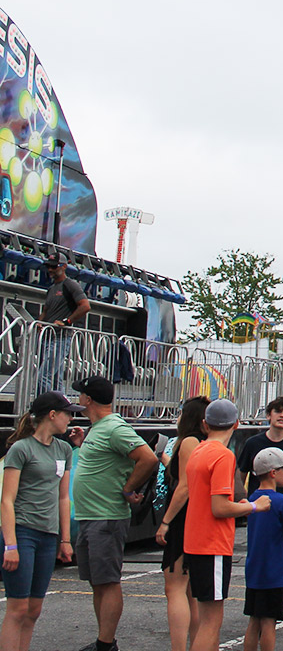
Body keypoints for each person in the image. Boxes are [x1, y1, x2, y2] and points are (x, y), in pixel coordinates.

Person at [69, 375, 159, 651]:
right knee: (98, 581)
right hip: (91, 516)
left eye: (80, 395)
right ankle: (102, 640)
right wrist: (82, 445)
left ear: (88, 399)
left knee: (107, 581)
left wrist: (128, 487)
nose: (78, 399)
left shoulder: (113, 427)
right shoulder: (97, 428)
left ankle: (106, 644)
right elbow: (103, 463)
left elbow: (148, 458)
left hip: (105, 517)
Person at [184, 399, 273, 651]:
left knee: (205, 617)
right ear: (236, 423)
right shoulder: (223, 455)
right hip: (212, 543)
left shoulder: (198, 450)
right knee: (211, 622)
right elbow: (220, 507)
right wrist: (254, 506)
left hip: (195, 539)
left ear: (205, 423)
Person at [1, 392, 81, 651]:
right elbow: (7, 500)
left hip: (48, 535)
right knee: (17, 607)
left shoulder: (64, 449)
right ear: (52, 414)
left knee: (34, 608)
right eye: (67, 413)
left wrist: (65, 539)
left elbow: (63, 498)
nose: (71, 418)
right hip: (22, 532)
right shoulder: (21, 448)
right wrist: (10, 544)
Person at [155, 396, 210, 651]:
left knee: (175, 586)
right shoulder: (207, 443)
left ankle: (179, 647)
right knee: (190, 592)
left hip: (183, 515)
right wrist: (166, 460)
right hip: (199, 515)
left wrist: (165, 522)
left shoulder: (188, 441)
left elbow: (185, 486)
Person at [244, 448, 283, 651]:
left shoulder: (252, 501)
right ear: (274, 472)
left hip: (255, 569)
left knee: (254, 620)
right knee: (269, 623)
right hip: (275, 571)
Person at [35, 253, 91, 394]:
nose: (50, 270)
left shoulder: (70, 285)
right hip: (48, 338)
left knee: (43, 376)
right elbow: (46, 310)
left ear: (64, 266)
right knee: (55, 379)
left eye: (54, 266)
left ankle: (46, 410)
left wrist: (67, 321)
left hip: (60, 338)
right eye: (49, 266)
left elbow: (85, 306)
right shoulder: (51, 289)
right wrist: (39, 323)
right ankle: (60, 410)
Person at [236, 397, 283, 504]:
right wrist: (243, 501)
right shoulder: (253, 443)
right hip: (258, 506)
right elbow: (241, 475)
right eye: (278, 411)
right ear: (268, 415)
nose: (282, 415)